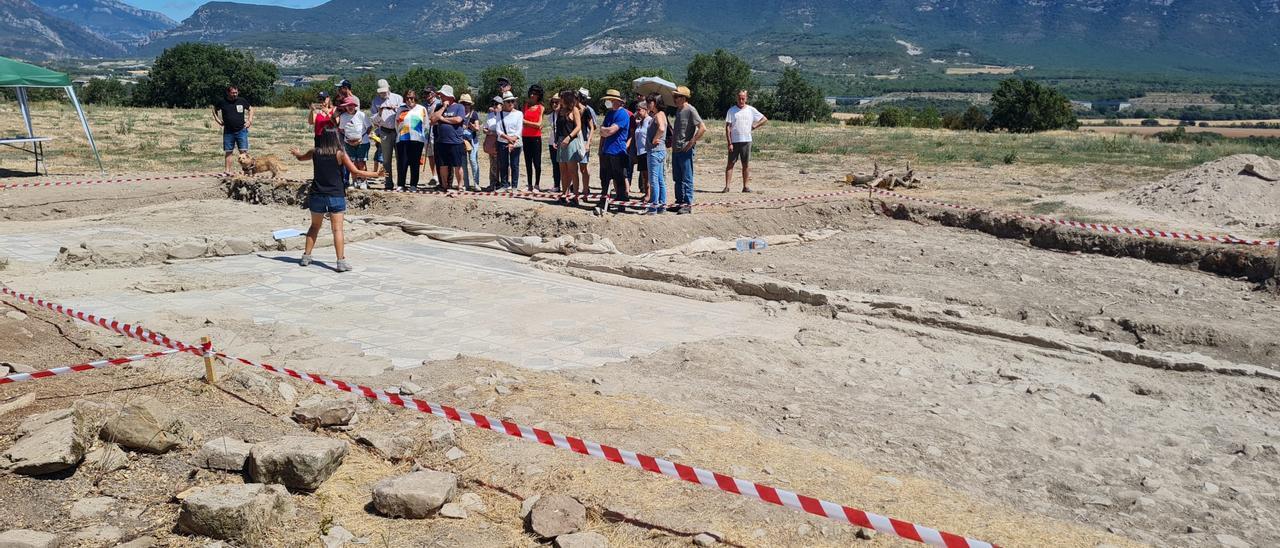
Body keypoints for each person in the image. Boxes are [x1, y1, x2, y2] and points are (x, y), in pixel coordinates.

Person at [288, 127, 383, 272]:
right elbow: (355, 172)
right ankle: (340, 262)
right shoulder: (340, 154)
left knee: (314, 227)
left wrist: (296, 153)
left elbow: (301, 158)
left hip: (317, 193)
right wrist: (376, 174)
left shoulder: (315, 152)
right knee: (337, 229)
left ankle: (306, 257)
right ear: (336, 138)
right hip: (335, 195)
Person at [669, 85, 706, 214]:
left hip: (685, 150)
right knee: (677, 178)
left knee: (687, 178)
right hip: (676, 149)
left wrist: (692, 142)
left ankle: (688, 204)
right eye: (674, 96)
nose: (675, 98)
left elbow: (702, 127)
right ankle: (679, 201)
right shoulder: (679, 110)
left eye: (677, 96)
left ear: (684, 98)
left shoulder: (691, 110)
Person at [594, 89, 630, 215]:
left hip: (618, 151)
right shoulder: (609, 114)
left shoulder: (623, 114)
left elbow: (609, 131)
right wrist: (601, 148)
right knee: (604, 178)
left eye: (611, 100)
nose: (608, 102)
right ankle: (604, 201)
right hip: (607, 150)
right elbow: (603, 131)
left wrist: (604, 130)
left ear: (618, 101)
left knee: (619, 179)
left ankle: (622, 203)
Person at [724, 90, 767, 193]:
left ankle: (745, 187)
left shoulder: (751, 110)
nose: (741, 100)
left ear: (746, 98)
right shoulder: (731, 110)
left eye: (743, 98)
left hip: (746, 141)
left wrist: (755, 125)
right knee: (730, 164)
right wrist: (729, 143)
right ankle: (727, 187)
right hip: (734, 141)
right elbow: (728, 128)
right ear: (736, 98)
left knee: (746, 164)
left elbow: (764, 119)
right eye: (739, 98)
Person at [431, 85, 467, 191]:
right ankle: (444, 185)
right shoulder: (439, 107)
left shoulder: (459, 107)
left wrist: (442, 119)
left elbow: (458, 120)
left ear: (449, 96)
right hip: (442, 141)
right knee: (443, 165)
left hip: (456, 141)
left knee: (457, 165)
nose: (441, 97)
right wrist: (443, 108)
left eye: (442, 95)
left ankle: (460, 185)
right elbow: (433, 119)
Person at [370, 79, 402, 190]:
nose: (383, 93)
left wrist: (395, 109)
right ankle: (388, 183)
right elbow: (373, 120)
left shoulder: (398, 98)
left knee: (400, 158)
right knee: (386, 159)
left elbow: (403, 113)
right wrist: (380, 112)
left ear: (389, 88)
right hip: (384, 131)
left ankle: (400, 183)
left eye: (385, 91)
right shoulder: (375, 101)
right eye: (381, 92)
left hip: (398, 131)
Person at [213, 85, 252, 174]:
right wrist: (217, 120)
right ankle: (227, 171)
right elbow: (214, 109)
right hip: (228, 131)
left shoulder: (242, 101)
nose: (235, 94)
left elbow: (250, 109)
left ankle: (247, 171)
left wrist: (249, 120)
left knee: (243, 152)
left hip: (241, 130)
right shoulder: (222, 102)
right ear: (228, 93)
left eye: (236, 92)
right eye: (233, 93)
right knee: (228, 152)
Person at [394, 89, 428, 191]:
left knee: (415, 163)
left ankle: (413, 184)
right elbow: (397, 124)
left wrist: (425, 139)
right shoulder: (400, 109)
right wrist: (400, 134)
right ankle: (401, 184)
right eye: (407, 98)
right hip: (403, 138)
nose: (410, 100)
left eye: (412, 98)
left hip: (417, 139)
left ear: (415, 98)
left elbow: (426, 125)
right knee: (402, 162)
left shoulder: (422, 109)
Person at [554, 90, 583, 201]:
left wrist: (569, 137)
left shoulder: (575, 110)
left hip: (571, 141)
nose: (559, 100)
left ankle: (575, 195)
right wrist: (557, 140)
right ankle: (564, 193)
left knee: (572, 170)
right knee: (563, 170)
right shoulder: (560, 111)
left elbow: (578, 127)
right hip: (561, 140)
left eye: (561, 98)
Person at [338, 96, 371, 189]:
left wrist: (361, 138)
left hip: (362, 142)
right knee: (352, 163)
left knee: (361, 162)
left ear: (355, 106)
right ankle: (355, 181)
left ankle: (364, 181)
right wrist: (348, 138)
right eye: (348, 105)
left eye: (352, 105)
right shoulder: (343, 116)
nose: (350, 107)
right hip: (349, 143)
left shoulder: (361, 115)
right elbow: (341, 129)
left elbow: (369, 127)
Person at [644, 92, 669, 215]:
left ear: (656, 103)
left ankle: (653, 207)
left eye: (650, 102)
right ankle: (662, 205)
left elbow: (662, 128)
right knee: (660, 180)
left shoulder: (658, 115)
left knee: (653, 180)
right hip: (661, 150)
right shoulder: (662, 114)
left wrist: (654, 138)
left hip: (654, 151)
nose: (648, 104)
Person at [496, 91, 524, 190]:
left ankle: (514, 186)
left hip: (515, 141)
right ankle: (504, 184)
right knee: (503, 164)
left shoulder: (519, 114)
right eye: (508, 101)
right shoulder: (499, 114)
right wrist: (509, 139)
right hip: (503, 141)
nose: (511, 103)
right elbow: (498, 129)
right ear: (504, 103)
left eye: (512, 101)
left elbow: (519, 129)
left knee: (514, 164)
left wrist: (513, 139)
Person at [522, 84, 545, 191]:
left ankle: (537, 184)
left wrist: (526, 122)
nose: (532, 95)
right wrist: (532, 124)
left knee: (537, 162)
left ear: (538, 95)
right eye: (531, 93)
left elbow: (539, 125)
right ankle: (529, 184)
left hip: (536, 137)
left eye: (535, 94)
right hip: (525, 136)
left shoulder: (541, 108)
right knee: (527, 161)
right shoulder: (525, 106)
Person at [459, 94, 481, 191]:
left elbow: (477, 128)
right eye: (464, 103)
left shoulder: (474, 114)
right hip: (462, 140)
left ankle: (476, 183)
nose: (466, 106)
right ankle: (466, 184)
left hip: (472, 141)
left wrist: (470, 126)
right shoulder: (459, 114)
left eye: (467, 104)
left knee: (473, 161)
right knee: (463, 163)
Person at [576, 88, 597, 192]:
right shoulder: (572, 109)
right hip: (574, 141)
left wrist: (588, 141)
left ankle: (585, 189)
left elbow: (593, 126)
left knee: (583, 167)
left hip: (583, 140)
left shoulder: (588, 110)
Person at [631, 100, 650, 201]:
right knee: (643, 175)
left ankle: (649, 195)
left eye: (639, 110)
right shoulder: (640, 122)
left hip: (647, 151)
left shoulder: (649, 121)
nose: (638, 112)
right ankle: (647, 193)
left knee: (648, 176)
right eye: (637, 110)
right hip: (640, 152)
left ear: (646, 109)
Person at [422, 86, 441, 186]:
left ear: (433, 93)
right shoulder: (423, 104)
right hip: (426, 132)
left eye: (428, 93)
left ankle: (439, 175)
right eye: (425, 93)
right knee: (430, 154)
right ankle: (434, 176)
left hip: (436, 130)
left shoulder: (439, 103)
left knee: (437, 153)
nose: (426, 95)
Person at [483, 95, 502, 190]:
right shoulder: (490, 115)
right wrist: (488, 131)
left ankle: (502, 183)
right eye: (493, 104)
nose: (494, 106)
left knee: (502, 164)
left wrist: (493, 132)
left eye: (496, 104)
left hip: (501, 142)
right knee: (493, 164)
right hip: (492, 143)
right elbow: (485, 128)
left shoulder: (504, 115)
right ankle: (493, 183)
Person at [547, 93, 562, 192]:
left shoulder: (565, 114)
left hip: (563, 142)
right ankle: (556, 185)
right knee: (555, 165)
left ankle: (570, 185)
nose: (554, 104)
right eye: (553, 102)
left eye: (557, 102)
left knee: (565, 165)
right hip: (552, 142)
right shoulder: (550, 116)